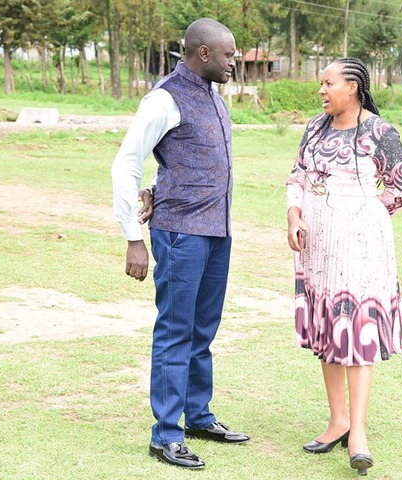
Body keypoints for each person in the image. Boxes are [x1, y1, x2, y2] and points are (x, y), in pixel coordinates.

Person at [111, 17, 249, 471]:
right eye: (229, 54)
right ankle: (165, 435)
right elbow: (126, 162)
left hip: (216, 233)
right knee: (175, 332)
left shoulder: (213, 94)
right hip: (179, 234)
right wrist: (133, 236)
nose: (235, 61)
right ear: (203, 53)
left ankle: (198, 416)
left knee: (202, 332)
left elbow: (176, 160)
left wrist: (158, 184)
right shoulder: (165, 97)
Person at [285, 58, 402, 476]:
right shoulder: (313, 128)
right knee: (329, 328)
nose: (322, 91)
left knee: (357, 329)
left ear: (353, 87)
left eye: (329, 83)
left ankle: (358, 431)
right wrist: (295, 215)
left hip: (361, 246)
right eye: (320, 84)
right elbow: (298, 175)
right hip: (317, 242)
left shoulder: (380, 132)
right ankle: (337, 420)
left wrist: (365, 215)